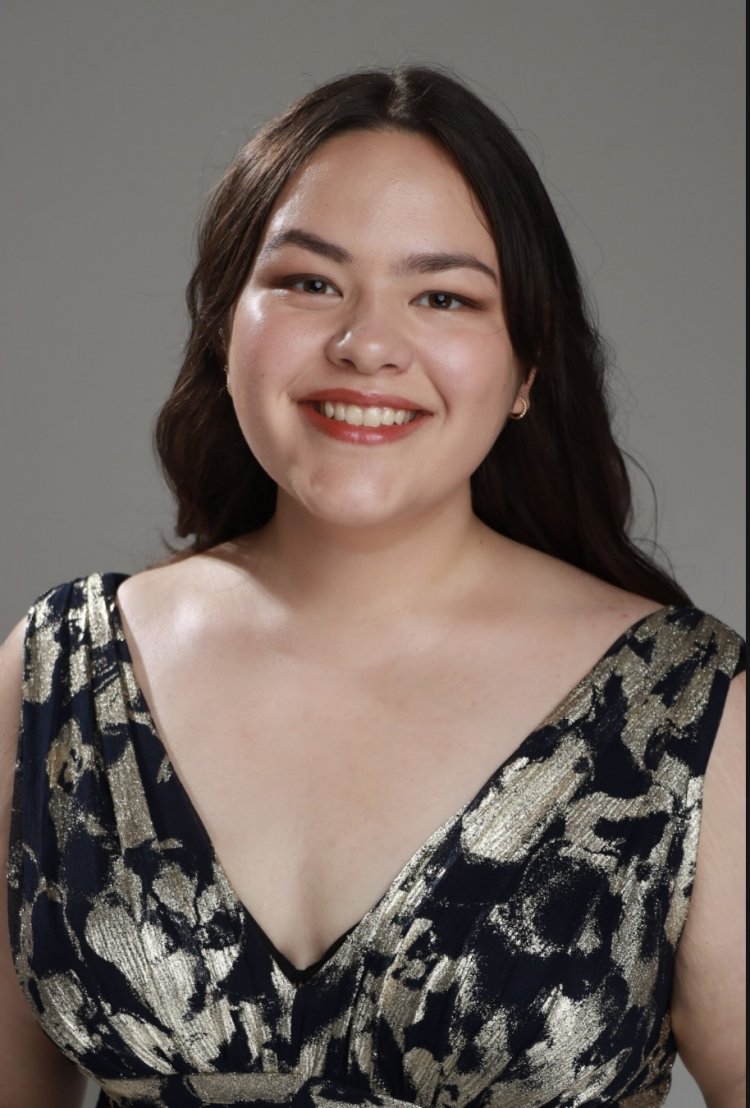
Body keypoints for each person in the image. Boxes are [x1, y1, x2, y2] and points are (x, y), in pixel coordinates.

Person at [0, 65, 744, 1108]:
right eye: (310, 283)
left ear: (528, 368)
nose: (366, 346)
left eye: (443, 296)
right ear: (223, 323)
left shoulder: (690, 714)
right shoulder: (59, 675)